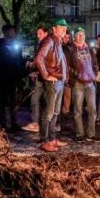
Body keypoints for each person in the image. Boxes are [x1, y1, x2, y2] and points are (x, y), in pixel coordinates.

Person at [33, 18, 70, 152]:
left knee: (55, 112)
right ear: (54, 28)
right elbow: (38, 58)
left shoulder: (58, 42)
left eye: (65, 27)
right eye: (61, 27)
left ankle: (52, 138)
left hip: (59, 82)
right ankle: (44, 141)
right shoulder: (49, 40)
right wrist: (46, 75)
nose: (64, 29)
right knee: (49, 112)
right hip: (52, 83)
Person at [68, 26, 100, 143]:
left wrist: (94, 74)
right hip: (78, 84)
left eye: (83, 35)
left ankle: (91, 134)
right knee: (78, 110)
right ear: (74, 37)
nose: (81, 37)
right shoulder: (71, 50)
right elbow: (68, 67)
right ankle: (79, 134)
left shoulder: (90, 50)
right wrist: (77, 75)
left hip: (90, 84)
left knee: (92, 110)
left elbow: (95, 64)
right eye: (78, 35)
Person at [0, 24, 25, 130]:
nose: (14, 34)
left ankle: (14, 122)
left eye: (14, 32)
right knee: (3, 100)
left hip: (14, 76)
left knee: (13, 101)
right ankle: (3, 123)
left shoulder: (17, 45)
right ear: (6, 32)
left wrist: (22, 73)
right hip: (3, 76)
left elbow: (20, 60)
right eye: (12, 32)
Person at [23, 25, 49, 132]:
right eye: (37, 34)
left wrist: (36, 68)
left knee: (48, 102)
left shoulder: (48, 44)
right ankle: (35, 123)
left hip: (47, 79)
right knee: (34, 100)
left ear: (46, 34)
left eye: (40, 33)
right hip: (40, 79)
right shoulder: (41, 44)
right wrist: (33, 66)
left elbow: (47, 63)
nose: (38, 36)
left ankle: (49, 125)